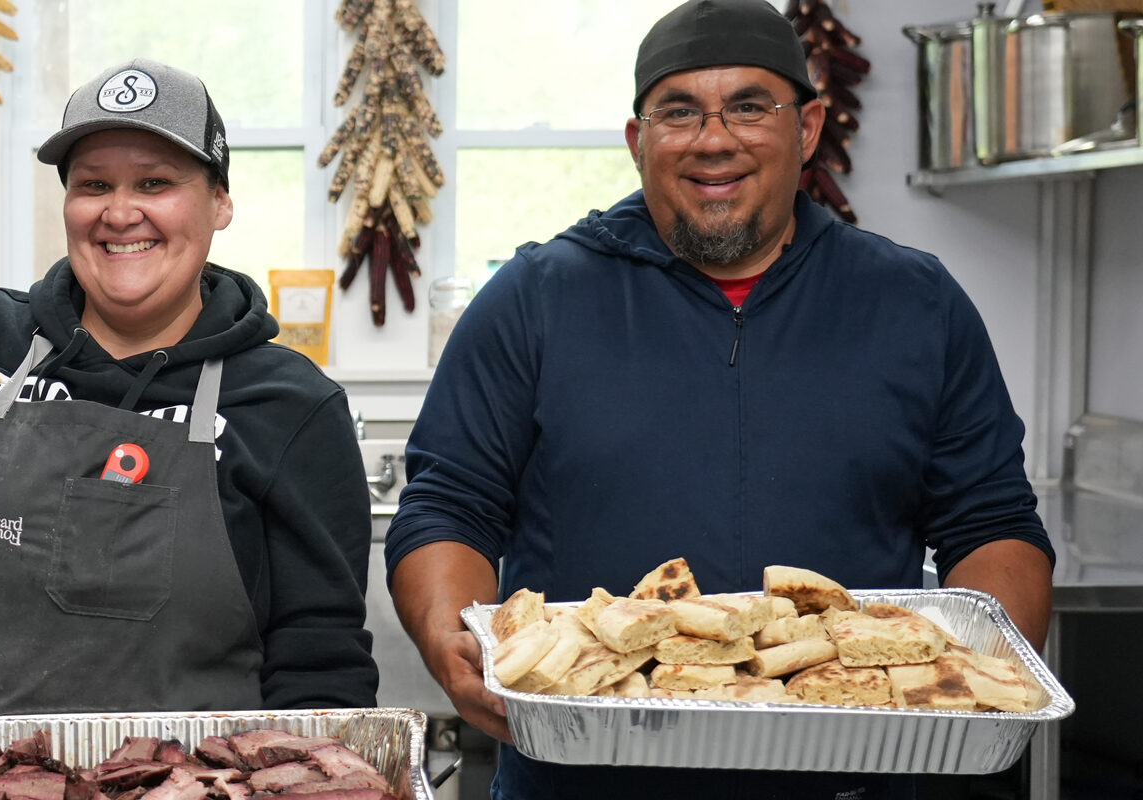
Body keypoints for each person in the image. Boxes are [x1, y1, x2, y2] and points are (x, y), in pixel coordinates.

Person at [385, 2, 1055, 798]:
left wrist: (979, 672)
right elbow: (448, 505)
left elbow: (993, 522)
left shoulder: (914, 303)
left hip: (860, 779)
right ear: (639, 143)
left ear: (806, 129)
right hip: (587, 778)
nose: (713, 139)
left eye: (748, 106)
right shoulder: (535, 300)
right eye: (679, 112)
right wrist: (448, 640)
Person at [0, 58, 378, 788]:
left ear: (220, 203)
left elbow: (318, 660)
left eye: (155, 183)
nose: (119, 211)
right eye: (93, 184)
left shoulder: (292, 406)